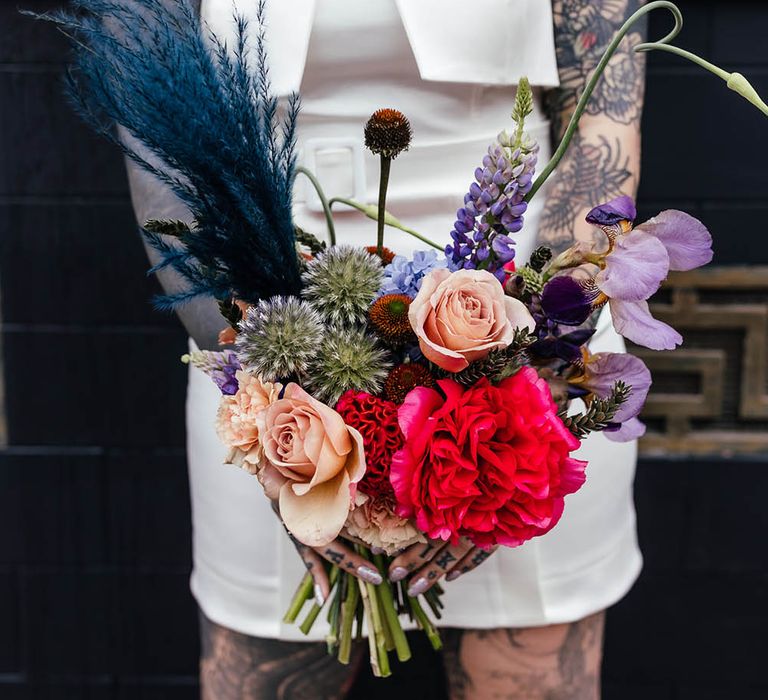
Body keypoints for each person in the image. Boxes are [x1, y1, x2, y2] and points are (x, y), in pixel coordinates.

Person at [125, 1, 648, 697]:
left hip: (529, 314)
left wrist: (520, 407)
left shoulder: (534, 356)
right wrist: (277, 406)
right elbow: (156, 135)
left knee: (528, 674)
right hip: (259, 331)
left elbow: (598, 134)